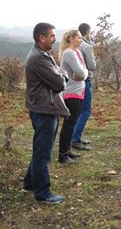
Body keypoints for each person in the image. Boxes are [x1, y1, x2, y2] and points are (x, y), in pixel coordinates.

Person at [23, 22, 69, 204]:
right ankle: (43, 193)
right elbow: (59, 83)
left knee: (40, 148)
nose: (55, 38)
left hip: (43, 107)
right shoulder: (39, 59)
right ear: (42, 38)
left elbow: (57, 75)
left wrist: (59, 72)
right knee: (43, 152)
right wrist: (63, 73)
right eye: (51, 36)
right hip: (44, 109)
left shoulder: (42, 55)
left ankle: (29, 183)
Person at [58, 29, 88, 163]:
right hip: (71, 93)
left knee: (72, 123)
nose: (81, 40)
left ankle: (67, 150)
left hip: (78, 91)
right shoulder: (69, 53)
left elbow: (83, 72)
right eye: (79, 38)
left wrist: (83, 73)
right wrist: (83, 73)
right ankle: (63, 155)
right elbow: (81, 73)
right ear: (71, 39)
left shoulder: (77, 52)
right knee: (69, 124)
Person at [71, 23, 96, 151]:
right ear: (87, 32)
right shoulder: (86, 47)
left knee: (77, 110)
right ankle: (75, 139)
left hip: (73, 82)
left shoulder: (72, 47)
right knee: (86, 110)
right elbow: (92, 66)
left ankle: (75, 137)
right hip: (85, 80)